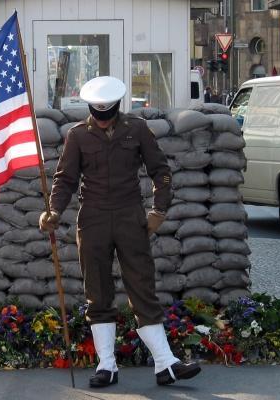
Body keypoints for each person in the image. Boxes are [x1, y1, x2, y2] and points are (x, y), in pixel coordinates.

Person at [39, 76, 201, 388]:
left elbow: (160, 170)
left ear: (116, 108)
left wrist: (159, 210)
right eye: (97, 115)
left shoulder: (136, 129)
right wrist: (55, 211)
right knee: (97, 291)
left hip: (130, 216)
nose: (102, 121)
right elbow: (65, 180)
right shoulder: (76, 136)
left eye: (107, 114)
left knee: (142, 286)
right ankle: (107, 366)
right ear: (90, 110)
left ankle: (165, 364)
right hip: (93, 219)